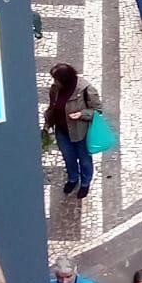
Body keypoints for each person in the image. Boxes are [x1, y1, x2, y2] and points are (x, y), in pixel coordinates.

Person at [44, 64, 101, 202]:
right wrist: (48, 123)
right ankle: (73, 178)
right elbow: (52, 108)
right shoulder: (55, 89)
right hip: (62, 132)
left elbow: (98, 110)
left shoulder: (85, 89)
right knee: (68, 158)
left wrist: (82, 114)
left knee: (84, 160)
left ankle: (85, 182)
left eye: (56, 79)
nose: (54, 82)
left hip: (80, 133)